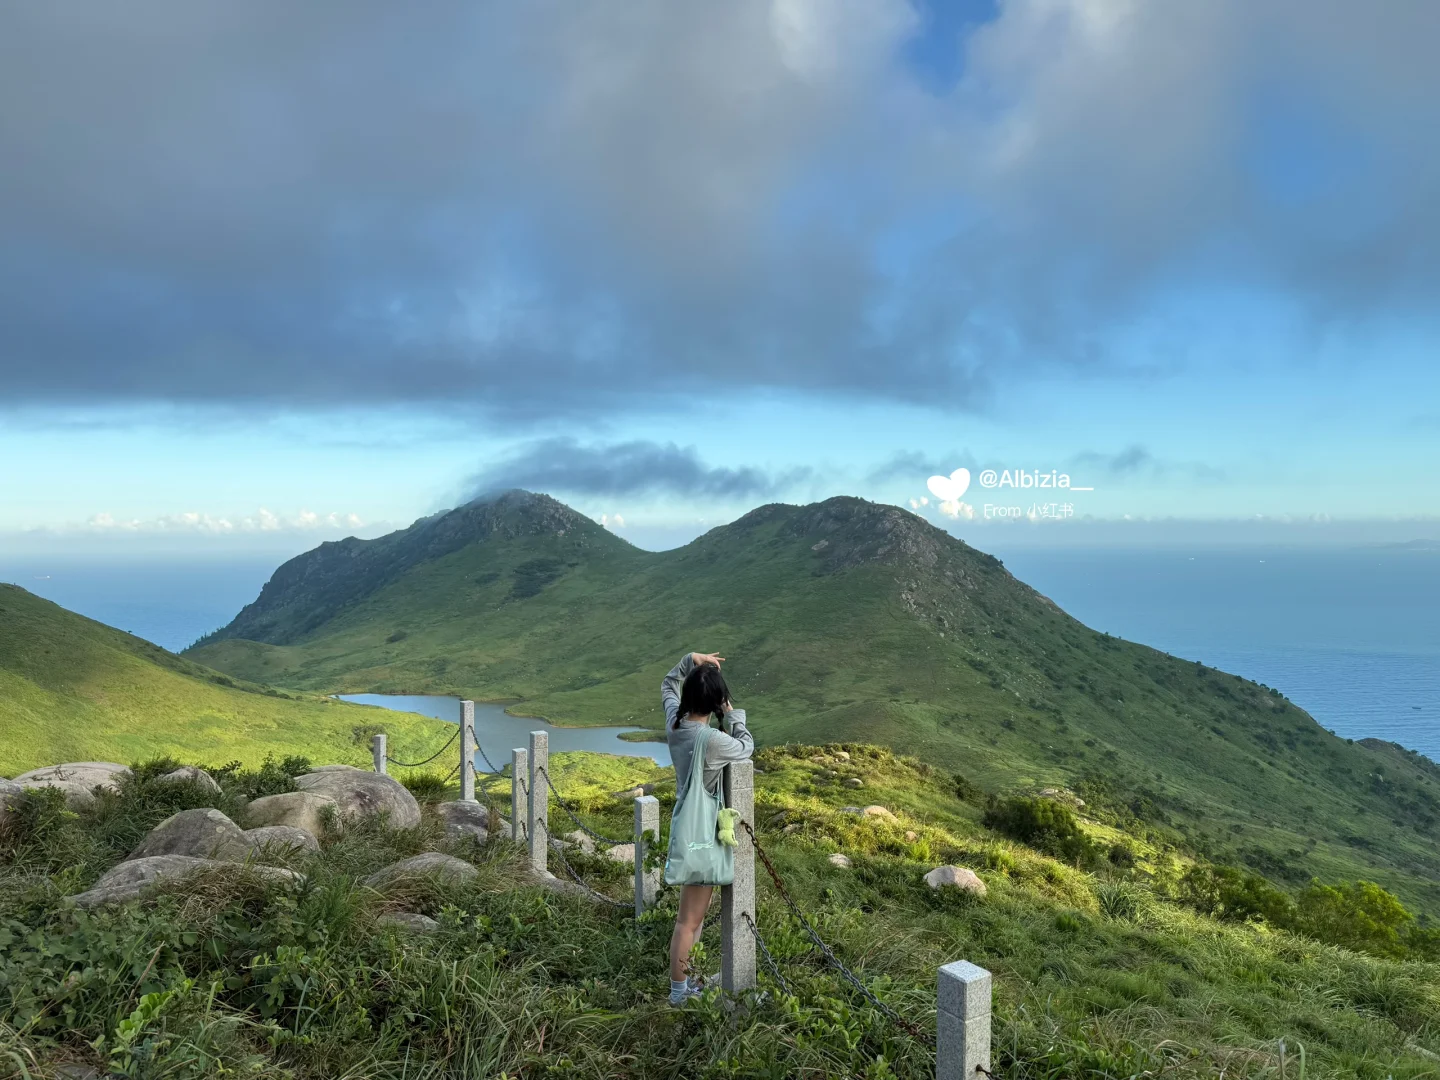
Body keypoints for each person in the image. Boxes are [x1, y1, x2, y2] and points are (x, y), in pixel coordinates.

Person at [661, 649, 753, 1005]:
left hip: (690, 824)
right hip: (702, 835)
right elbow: (745, 747)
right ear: (716, 701)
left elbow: (667, 684)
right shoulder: (711, 740)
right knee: (688, 921)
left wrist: (689, 660)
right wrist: (733, 715)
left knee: (693, 918)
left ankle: (688, 985)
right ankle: (679, 993)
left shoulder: (675, 724)